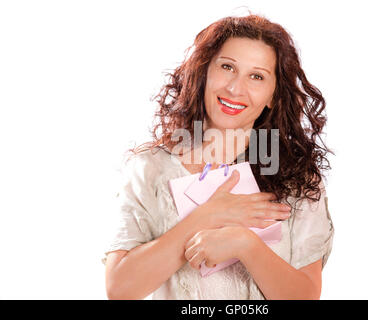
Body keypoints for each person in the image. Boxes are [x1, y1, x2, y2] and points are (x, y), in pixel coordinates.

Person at [102, 14, 334, 300]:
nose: (235, 88)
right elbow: (120, 288)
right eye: (227, 67)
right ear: (204, 72)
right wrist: (207, 216)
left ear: (273, 95)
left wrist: (244, 243)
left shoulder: (297, 180)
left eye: (257, 76)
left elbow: (305, 297)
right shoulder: (149, 168)